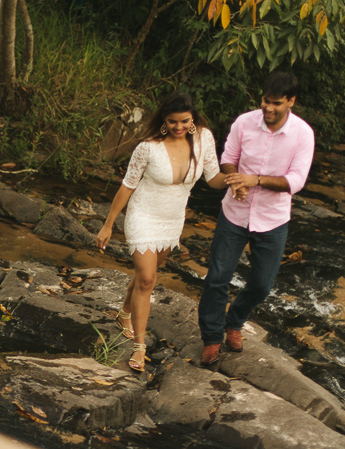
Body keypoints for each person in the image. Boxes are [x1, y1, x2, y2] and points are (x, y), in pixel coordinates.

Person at [97, 91, 228, 372]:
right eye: (172, 122)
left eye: (184, 121)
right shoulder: (148, 147)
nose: (178, 127)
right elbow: (128, 185)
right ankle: (139, 349)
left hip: (172, 220)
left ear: (192, 119)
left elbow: (213, 178)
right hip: (143, 214)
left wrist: (234, 179)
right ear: (163, 120)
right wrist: (108, 224)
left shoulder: (203, 138)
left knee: (146, 273)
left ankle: (124, 313)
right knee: (147, 279)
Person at [197, 71, 315, 366]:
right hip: (234, 212)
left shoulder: (303, 134)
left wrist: (255, 180)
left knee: (262, 284)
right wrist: (235, 180)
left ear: (291, 101)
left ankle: (234, 321)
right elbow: (228, 157)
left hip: (273, 219)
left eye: (276, 103)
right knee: (216, 279)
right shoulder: (244, 122)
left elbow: (296, 180)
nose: (268, 109)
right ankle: (212, 339)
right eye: (265, 101)